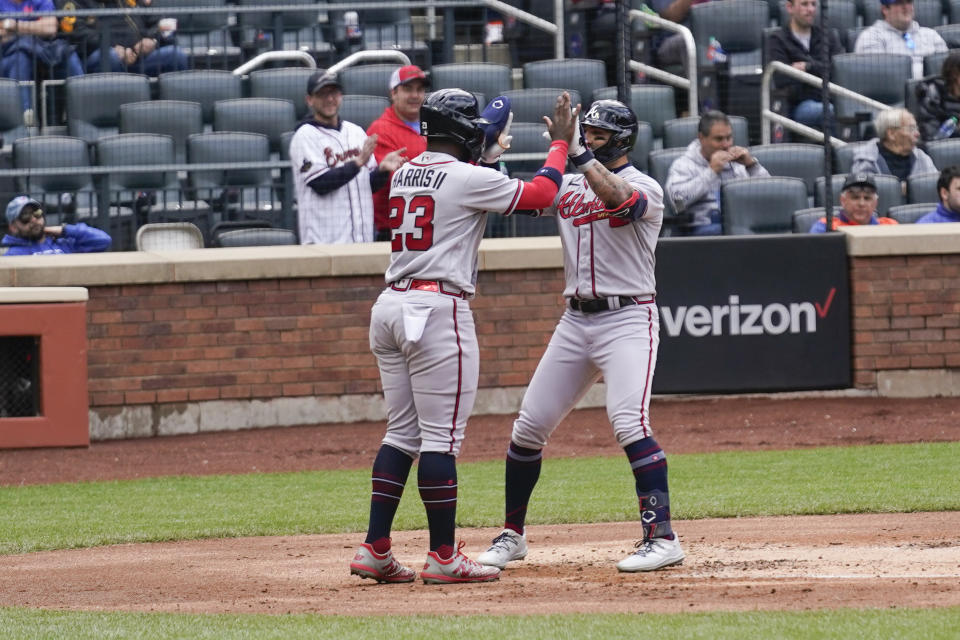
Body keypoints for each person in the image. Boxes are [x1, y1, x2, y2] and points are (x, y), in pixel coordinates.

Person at [349, 88, 576, 585]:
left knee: (401, 434)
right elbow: (542, 195)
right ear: (463, 134)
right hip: (436, 309)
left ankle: (375, 547)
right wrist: (559, 144)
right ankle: (444, 555)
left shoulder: (407, 167)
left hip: (390, 305)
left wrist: (487, 155)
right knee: (440, 440)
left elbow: (464, 179)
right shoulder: (467, 176)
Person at [476, 97, 681, 574]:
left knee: (630, 423)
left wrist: (577, 154)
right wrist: (489, 156)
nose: (589, 140)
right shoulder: (568, 183)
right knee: (528, 428)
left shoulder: (643, 184)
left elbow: (620, 203)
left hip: (628, 317)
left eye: (600, 134)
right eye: (586, 132)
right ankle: (513, 535)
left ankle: (662, 537)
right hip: (575, 320)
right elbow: (517, 197)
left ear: (623, 139)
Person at [289, 70, 408, 245]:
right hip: (323, 243)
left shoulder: (355, 132)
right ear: (310, 100)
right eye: (322, 94)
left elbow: (367, 185)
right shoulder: (305, 136)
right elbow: (320, 183)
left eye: (333, 93)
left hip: (362, 239)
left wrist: (382, 171)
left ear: (341, 96)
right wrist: (358, 163)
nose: (329, 99)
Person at [664, 110, 769, 236]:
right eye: (719, 139)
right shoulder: (683, 165)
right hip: (703, 231)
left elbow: (768, 196)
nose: (726, 145)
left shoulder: (738, 162)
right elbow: (677, 204)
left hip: (743, 225)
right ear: (702, 138)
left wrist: (751, 166)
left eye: (729, 138)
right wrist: (711, 172)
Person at [366, 64, 429, 242]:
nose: (415, 96)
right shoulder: (380, 130)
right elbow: (396, 182)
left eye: (420, 89)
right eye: (408, 89)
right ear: (394, 93)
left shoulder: (433, 125)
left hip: (430, 225)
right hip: (393, 231)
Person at [0, 0, 84, 125]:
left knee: (68, 56)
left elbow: (50, 27)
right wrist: (35, 27)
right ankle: (25, 118)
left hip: (43, 48)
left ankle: (81, 112)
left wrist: (13, 25)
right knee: (20, 58)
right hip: (8, 54)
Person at [765, 0, 843, 131]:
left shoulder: (828, 36)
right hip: (798, 106)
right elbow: (781, 79)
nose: (811, 9)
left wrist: (807, 67)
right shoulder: (777, 39)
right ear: (790, 7)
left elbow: (839, 71)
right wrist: (821, 69)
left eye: (813, 4)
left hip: (831, 99)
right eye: (804, 4)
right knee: (829, 111)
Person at [63, 0, 187, 75]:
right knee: (110, 56)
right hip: (96, 60)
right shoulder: (72, 2)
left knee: (175, 55)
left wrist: (152, 40)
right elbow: (76, 33)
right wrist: (112, 47)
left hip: (139, 57)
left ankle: (175, 114)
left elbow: (161, 21)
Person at [854, 0, 946, 80]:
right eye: (899, 3)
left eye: (909, 2)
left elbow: (948, 69)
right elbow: (878, 78)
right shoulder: (871, 37)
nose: (906, 7)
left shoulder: (931, 35)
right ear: (885, 9)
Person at [850, 108, 936, 184]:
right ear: (891, 134)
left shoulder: (922, 158)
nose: (917, 134)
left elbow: (934, 189)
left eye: (916, 128)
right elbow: (863, 195)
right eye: (911, 129)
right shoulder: (866, 160)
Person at [2, 195, 111, 255]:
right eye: (25, 216)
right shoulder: (14, 255)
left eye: (37, 213)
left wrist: (65, 230)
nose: (34, 219)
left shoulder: (63, 243)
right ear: (13, 228)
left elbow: (103, 240)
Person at [914, 50, 960, 143]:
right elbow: (931, 136)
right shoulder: (932, 95)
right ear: (954, 74)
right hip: (946, 151)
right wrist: (957, 130)